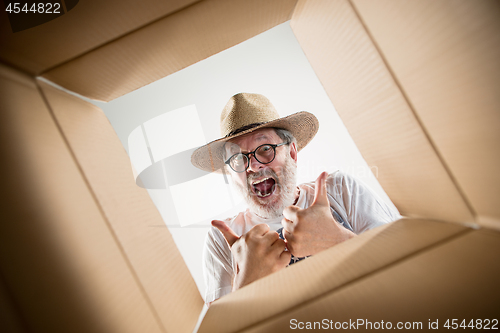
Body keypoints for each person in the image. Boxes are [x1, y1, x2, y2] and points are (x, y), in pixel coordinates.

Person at [191, 93, 401, 304]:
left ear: (292, 153)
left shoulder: (341, 191)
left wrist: (339, 241)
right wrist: (246, 285)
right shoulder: (221, 239)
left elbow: (408, 271)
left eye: (265, 149)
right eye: (238, 158)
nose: (254, 165)